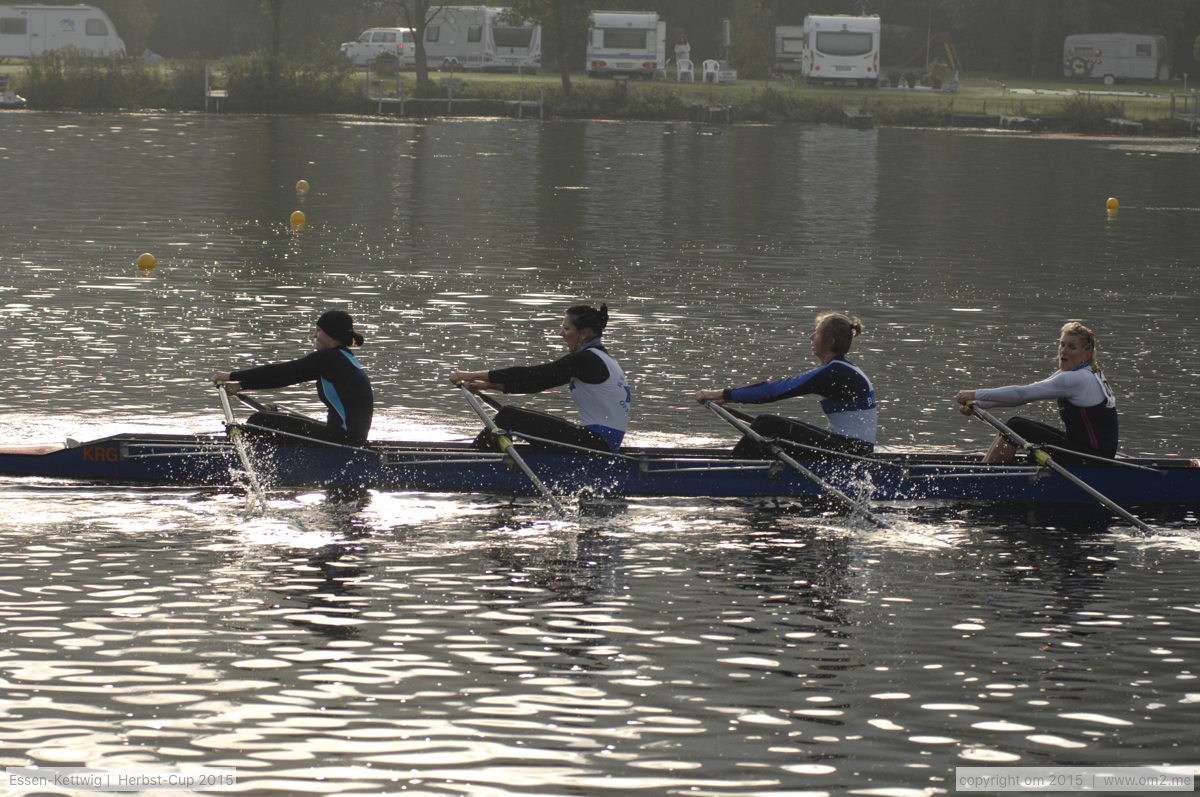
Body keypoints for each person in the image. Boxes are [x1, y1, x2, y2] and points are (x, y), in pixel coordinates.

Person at [447, 303, 631, 453]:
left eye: (566, 329)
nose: (561, 334)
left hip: (595, 446)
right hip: (598, 442)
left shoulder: (586, 360)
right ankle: (489, 460)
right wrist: (489, 385)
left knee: (508, 416)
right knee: (509, 416)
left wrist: (468, 374)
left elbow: (533, 374)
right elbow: (538, 383)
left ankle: (471, 466)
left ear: (584, 333)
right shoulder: (601, 359)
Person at [694, 312, 876, 456]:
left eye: (817, 333)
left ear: (830, 342)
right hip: (851, 448)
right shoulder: (843, 369)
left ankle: (733, 473)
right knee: (773, 430)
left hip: (850, 452)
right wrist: (730, 398)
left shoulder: (834, 373)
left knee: (766, 423)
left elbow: (774, 391)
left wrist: (723, 394)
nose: (811, 337)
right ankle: (753, 466)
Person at [955, 321, 1117, 464]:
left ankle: (985, 478)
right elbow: (1025, 393)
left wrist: (975, 394)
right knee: (1018, 428)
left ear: (1086, 355)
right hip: (1085, 451)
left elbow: (1022, 395)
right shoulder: (1084, 373)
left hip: (1095, 460)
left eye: (1072, 347)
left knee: (1016, 425)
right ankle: (987, 468)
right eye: (1062, 344)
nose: (1064, 350)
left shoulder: (1077, 379)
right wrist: (980, 405)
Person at [210, 310, 373, 446]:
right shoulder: (344, 358)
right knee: (273, 417)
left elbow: (281, 372)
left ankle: (244, 457)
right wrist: (241, 384)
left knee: (260, 421)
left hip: (342, 440)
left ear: (331, 334)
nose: (314, 335)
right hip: (349, 437)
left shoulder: (329, 359)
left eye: (318, 331)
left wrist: (231, 375)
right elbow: (284, 378)